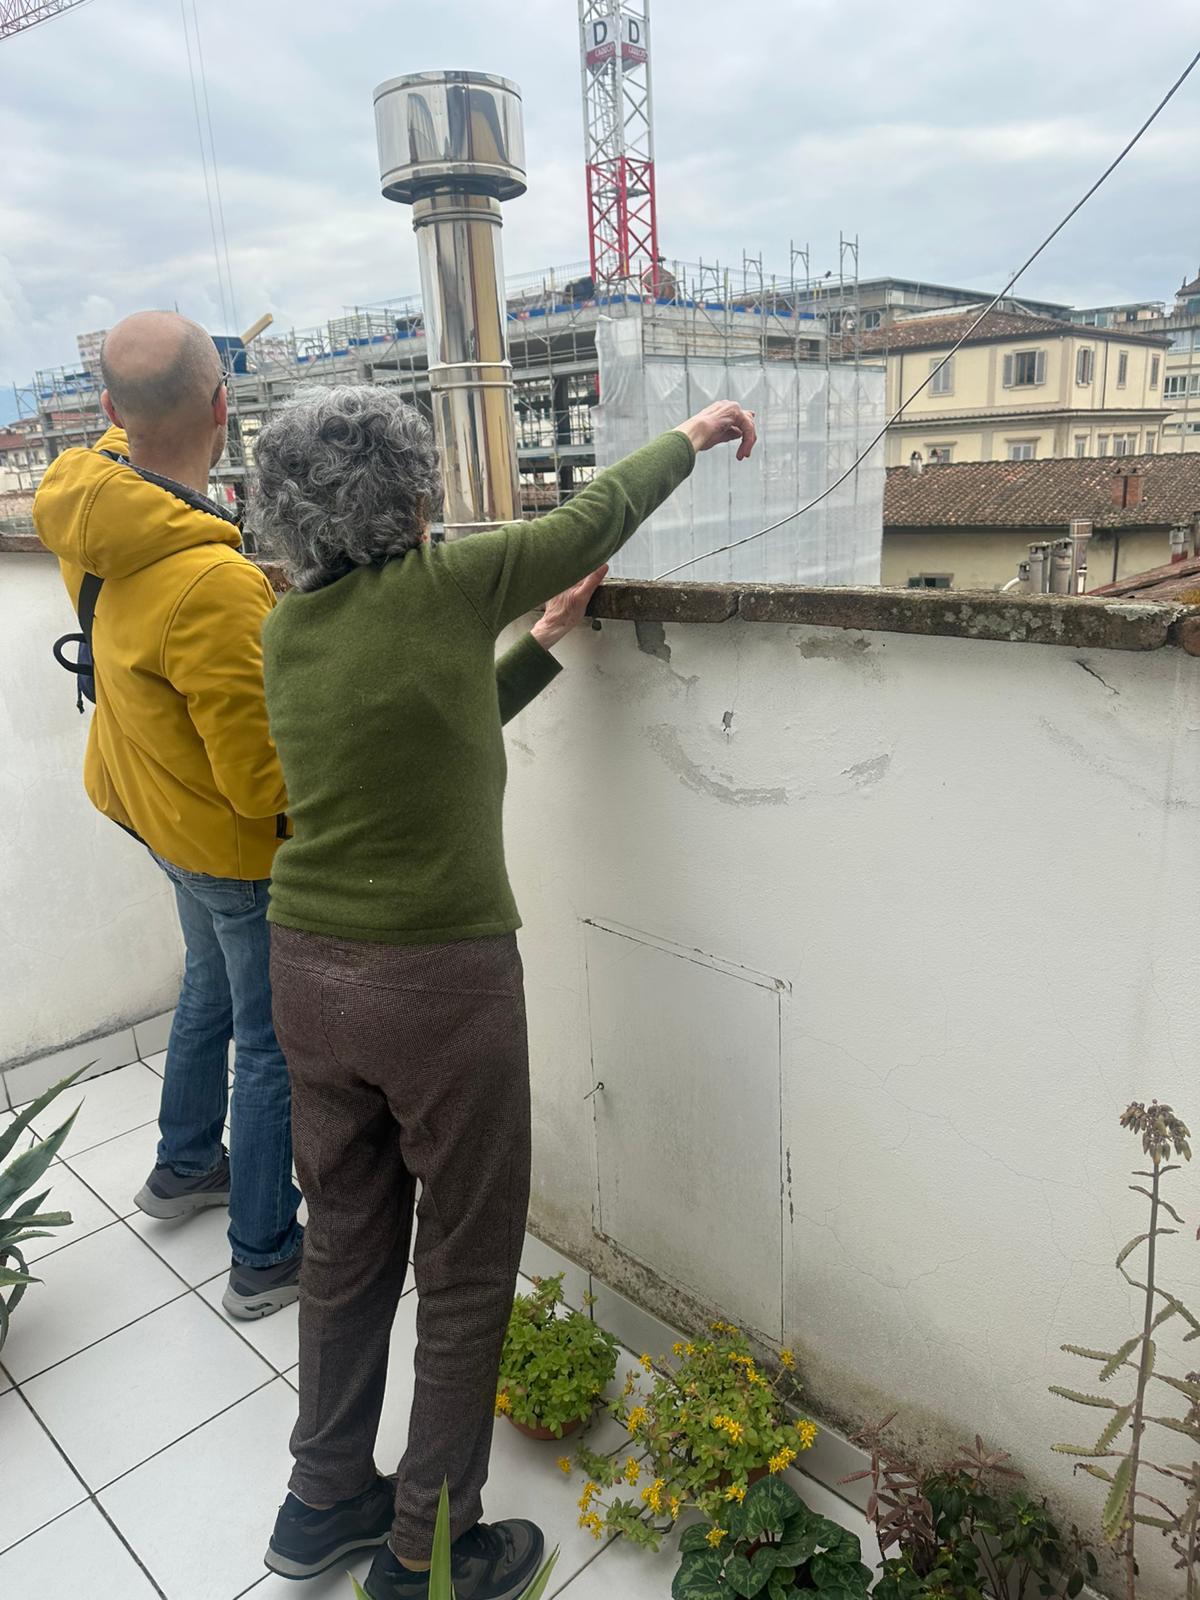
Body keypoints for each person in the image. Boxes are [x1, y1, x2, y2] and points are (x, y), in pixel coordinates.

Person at [254, 384, 756, 1598]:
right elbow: (593, 516)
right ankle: (433, 1553)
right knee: (468, 1265)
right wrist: (690, 434)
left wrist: (536, 647)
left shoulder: (288, 631)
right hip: (438, 982)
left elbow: (434, 725)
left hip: (307, 969)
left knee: (348, 1243)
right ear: (414, 493)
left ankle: (321, 1499)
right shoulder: (442, 587)